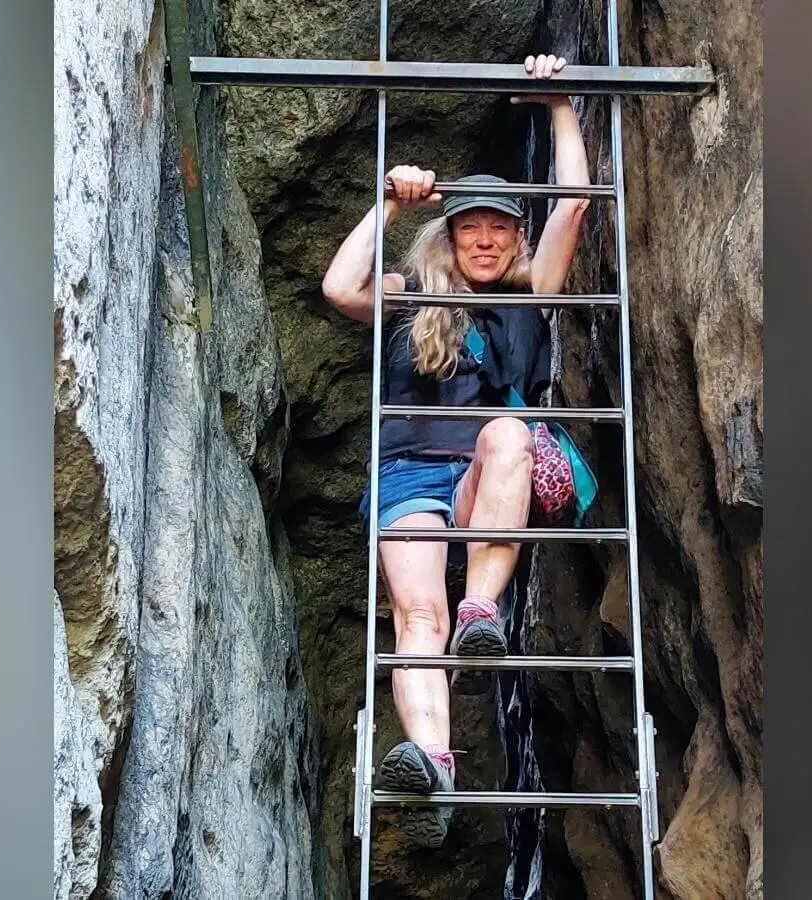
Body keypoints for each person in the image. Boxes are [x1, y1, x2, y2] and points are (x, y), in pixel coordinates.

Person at [321, 54, 590, 848]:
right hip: (407, 473)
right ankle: (432, 764)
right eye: (469, 224)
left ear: (516, 239)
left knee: (508, 432)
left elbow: (573, 206)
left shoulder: (526, 295)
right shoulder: (411, 297)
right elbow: (340, 289)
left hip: (481, 483)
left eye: (499, 226)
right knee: (414, 612)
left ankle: (484, 611)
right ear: (450, 234)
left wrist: (561, 103)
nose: (483, 238)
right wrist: (387, 201)